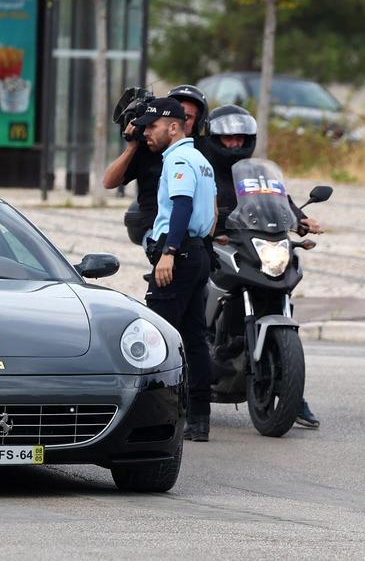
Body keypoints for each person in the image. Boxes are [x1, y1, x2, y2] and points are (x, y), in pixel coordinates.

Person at [198, 104, 323, 429]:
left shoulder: (255, 172)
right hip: (220, 241)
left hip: (255, 243)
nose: (234, 144)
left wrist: (300, 218)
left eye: (240, 138)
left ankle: (291, 392)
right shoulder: (205, 168)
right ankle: (204, 350)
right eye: (227, 139)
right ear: (214, 139)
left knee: (279, 285)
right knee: (199, 288)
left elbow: (279, 198)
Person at [135, 97, 217, 442]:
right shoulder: (201, 159)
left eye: (151, 127)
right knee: (194, 338)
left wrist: (169, 251)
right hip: (196, 253)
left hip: (179, 254)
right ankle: (199, 418)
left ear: (173, 127)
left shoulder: (179, 159)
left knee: (155, 336)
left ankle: (151, 420)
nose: (146, 133)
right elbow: (212, 212)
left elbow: (182, 205)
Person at [104, 85, 209, 245]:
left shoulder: (201, 153)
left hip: (194, 235)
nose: (180, 120)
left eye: (187, 117)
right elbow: (108, 182)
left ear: (198, 122)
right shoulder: (146, 148)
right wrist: (132, 147)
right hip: (156, 232)